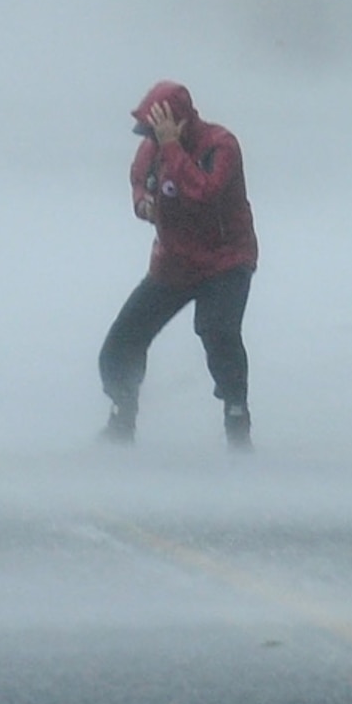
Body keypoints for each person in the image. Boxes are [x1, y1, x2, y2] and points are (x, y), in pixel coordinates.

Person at [97, 80, 256, 449]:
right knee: (122, 342)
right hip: (174, 262)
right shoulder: (150, 151)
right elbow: (140, 182)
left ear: (180, 122)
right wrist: (143, 203)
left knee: (217, 330)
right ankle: (122, 414)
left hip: (226, 260)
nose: (150, 138)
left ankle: (236, 414)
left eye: (157, 130)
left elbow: (204, 193)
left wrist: (172, 147)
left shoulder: (221, 146)